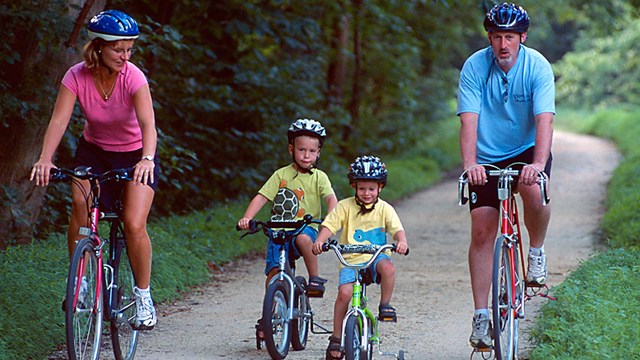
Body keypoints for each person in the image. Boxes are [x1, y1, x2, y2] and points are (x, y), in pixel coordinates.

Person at [30, 10, 158, 330]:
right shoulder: (76, 76)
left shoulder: (134, 77)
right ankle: (82, 284)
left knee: (133, 222)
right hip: (94, 152)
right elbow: (59, 120)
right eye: (119, 49)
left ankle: (143, 297)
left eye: (130, 49)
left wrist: (147, 158)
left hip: (135, 155)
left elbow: (148, 125)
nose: (125, 56)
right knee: (79, 205)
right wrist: (45, 158)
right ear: (98, 47)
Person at [456, 2, 555, 350]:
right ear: (489, 37)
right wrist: (470, 165)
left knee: (534, 192)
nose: (503, 44)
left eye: (509, 37)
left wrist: (539, 164)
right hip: (486, 156)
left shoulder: (537, 66)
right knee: (483, 229)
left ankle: (537, 252)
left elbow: (544, 119)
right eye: (497, 37)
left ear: (522, 37)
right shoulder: (474, 67)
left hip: (527, 150)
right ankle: (482, 315)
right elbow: (468, 118)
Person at [237, 118, 338, 337]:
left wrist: (329, 221)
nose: (306, 155)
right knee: (274, 273)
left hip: (306, 227)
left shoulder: (319, 177)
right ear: (291, 149)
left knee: (303, 240)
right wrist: (247, 217)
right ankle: (269, 314)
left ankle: (315, 278)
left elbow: (331, 200)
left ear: (318, 153)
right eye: (301, 149)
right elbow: (261, 197)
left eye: (312, 151)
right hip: (279, 229)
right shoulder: (280, 175)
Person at [312, 155, 409, 360]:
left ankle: (385, 305)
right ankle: (336, 337)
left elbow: (397, 230)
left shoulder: (385, 208)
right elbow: (330, 225)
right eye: (362, 188)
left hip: (375, 258)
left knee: (389, 268)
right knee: (344, 294)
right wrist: (320, 240)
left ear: (380, 188)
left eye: (371, 189)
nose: (366, 193)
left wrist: (401, 242)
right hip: (351, 261)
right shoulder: (345, 206)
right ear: (354, 186)